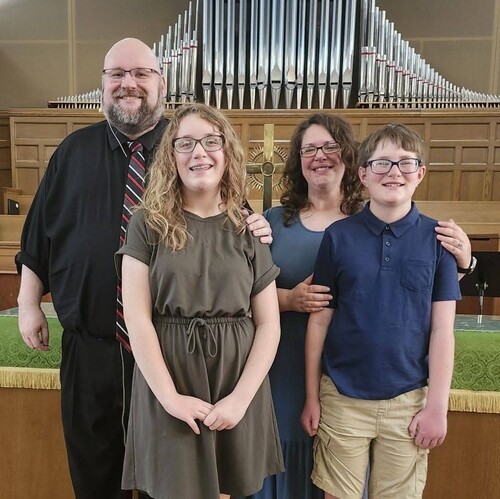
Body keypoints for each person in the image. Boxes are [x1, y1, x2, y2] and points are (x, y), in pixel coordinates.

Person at [15, 38, 272, 499]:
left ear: (162, 83)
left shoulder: (187, 147)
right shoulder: (72, 152)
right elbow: (39, 235)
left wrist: (257, 225)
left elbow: (230, 229)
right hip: (92, 348)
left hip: (175, 355)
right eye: (116, 74)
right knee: (95, 476)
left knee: (171, 483)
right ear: (102, 83)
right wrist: (29, 301)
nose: (128, 83)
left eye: (140, 74)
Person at [248, 114, 473, 499]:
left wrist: (466, 261)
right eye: (309, 149)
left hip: (381, 381)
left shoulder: (381, 217)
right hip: (291, 365)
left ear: (352, 162)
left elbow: (421, 298)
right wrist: (289, 299)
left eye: (330, 146)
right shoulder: (278, 223)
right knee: (292, 457)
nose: (320, 155)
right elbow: (245, 288)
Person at [115, 102, 284, 499]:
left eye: (211, 141)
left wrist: (240, 400)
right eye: (185, 143)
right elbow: (136, 319)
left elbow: (269, 324)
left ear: (227, 152)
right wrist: (170, 398)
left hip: (236, 380)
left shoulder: (248, 228)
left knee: (227, 489)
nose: (199, 153)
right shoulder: (147, 223)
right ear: (170, 156)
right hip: (169, 378)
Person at [301, 123, 462, 499]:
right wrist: (312, 395)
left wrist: (437, 407)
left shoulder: (438, 240)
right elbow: (320, 321)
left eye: (406, 163)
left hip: (408, 400)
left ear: (420, 173)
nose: (394, 172)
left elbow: (443, 331)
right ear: (363, 174)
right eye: (382, 163)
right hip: (342, 397)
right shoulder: (338, 236)